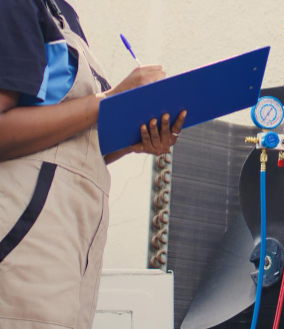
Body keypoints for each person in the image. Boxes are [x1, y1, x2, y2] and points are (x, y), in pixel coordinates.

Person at [0, 0, 186, 328]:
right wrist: (108, 101)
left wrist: (131, 141)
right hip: (20, 244)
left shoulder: (64, 14)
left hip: (72, 258)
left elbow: (72, 149)